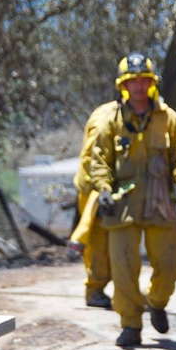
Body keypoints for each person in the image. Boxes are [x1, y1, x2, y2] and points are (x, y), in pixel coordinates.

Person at [90, 52, 176, 347]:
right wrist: (104, 189)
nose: (138, 86)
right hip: (122, 208)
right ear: (123, 86)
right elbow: (99, 161)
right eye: (132, 81)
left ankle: (157, 303)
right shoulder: (109, 120)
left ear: (151, 83)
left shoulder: (167, 117)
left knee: (170, 267)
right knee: (123, 270)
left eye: (143, 80)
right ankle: (131, 325)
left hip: (159, 204)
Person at [66, 104, 113, 309]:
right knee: (97, 242)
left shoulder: (103, 112)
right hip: (95, 187)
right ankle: (94, 290)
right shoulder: (108, 116)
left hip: (97, 185)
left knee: (108, 243)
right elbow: (96, 156)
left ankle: (106, 288)